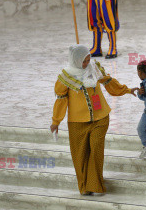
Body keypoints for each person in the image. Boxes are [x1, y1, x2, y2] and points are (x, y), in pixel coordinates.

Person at [50, 45, 137, 195]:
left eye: (88, 59)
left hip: (100, 118)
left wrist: (127, 90)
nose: (87, 63)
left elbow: (109, 82)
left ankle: (94, 184)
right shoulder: (65, 77)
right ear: (75, 60)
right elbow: (61, 100)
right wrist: (56, 121)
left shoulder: (94, 69)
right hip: (77, 122)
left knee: (96, 150)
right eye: (84, 61)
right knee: (80, 155)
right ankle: (84, 187)